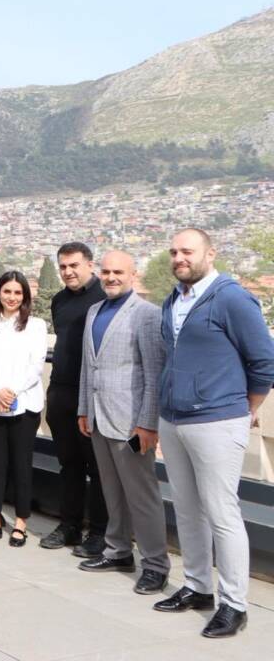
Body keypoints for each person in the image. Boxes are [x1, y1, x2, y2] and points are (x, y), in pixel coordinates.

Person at [152, 229, 274, 638]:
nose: (179, 257)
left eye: (187, 250)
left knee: (222, 512)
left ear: (210, 252)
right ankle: (198, 586)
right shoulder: (174, 299)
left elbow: (263, 361)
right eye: (174, 252)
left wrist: (248, 409)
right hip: (174, 419)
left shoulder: (232, 298)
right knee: (186, 508)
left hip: (218, 420)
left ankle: (234, 604)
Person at [75, 251, 170, 595]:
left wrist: (147, 424)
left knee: (141, 495)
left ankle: (156, 564)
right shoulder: (94, 311)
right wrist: (84, 409)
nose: (111, 277)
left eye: (118, 272)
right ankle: (118, 551)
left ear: (133, 275)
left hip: (131, 422)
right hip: (99, 417)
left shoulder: (146, 315)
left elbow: (153, 373)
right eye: (106, 271)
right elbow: (90, 366)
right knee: (111, 490)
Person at [0, 271, 48, 547]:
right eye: (7, 292)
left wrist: (12, 391)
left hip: (24, 404)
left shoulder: (36, 326)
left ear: (25, 296)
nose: (12, 297)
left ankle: (22, 523)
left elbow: (36, 364)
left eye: (18, 292)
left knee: (21, 465)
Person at [41, 242, 109, 556]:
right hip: (61, 391)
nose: (68, 272)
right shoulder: (58, 301)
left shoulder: (105, 298)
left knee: (97, 468)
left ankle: (98, 533)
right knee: (68, 464)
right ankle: (69, 526)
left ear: (90, 265)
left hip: (92, 396)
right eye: (63, 267)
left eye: (74, 266)